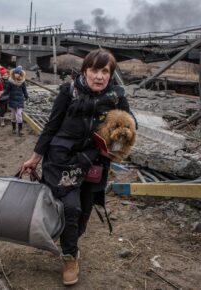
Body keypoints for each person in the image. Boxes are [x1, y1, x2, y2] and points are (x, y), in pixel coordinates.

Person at [20, 49, 136, 286]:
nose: (99, 76)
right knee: (70, 208)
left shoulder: (117, 97)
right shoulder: (69, 92)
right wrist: (35, 157)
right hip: (63, 161)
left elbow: (131, 125)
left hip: (94, 162)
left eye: (105, 71)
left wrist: (116, 143)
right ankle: (69, 256)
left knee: (83, 211)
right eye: (94, 70)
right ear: (85, 71)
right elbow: (51, 127)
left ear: (111, 74)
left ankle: (70, 238)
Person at [3, 66, 29, 137]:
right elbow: (7, 90)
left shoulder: (23, 81)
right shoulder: (10, 81)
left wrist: (26, 96)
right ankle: (14, 128)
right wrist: (2, 94)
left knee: (19, 114)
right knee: (13, 115)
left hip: (20, 100)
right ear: (13, 73)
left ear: (20, 74)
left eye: (18, 73)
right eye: (15, 73)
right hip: (12, 99)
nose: (16, 75)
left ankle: (20, 130)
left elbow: (24, 90)